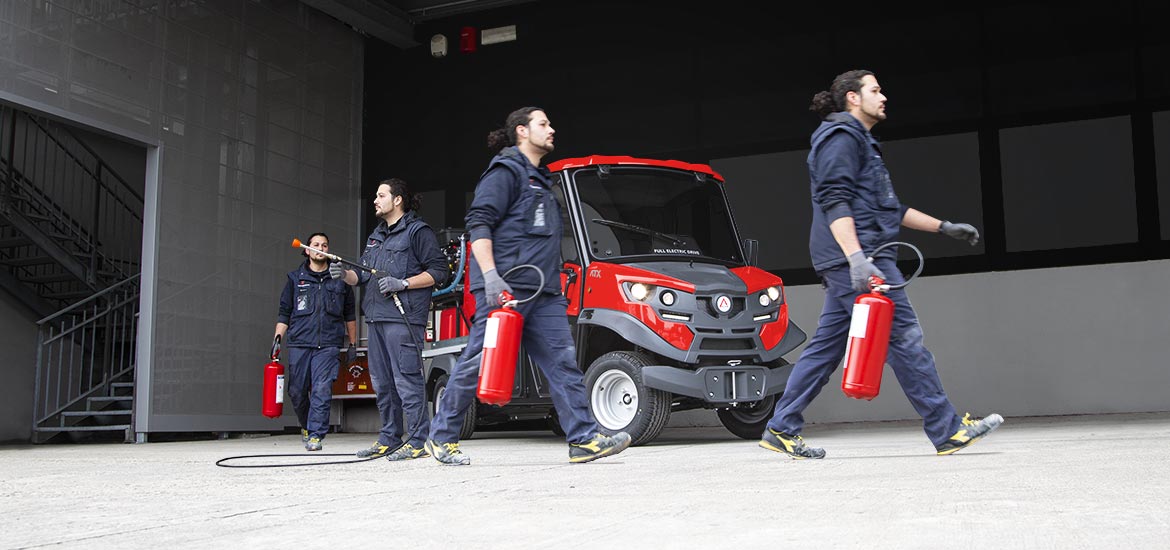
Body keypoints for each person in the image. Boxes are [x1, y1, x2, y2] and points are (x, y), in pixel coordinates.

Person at [760, 70, 1003, 459]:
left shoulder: (863, 143)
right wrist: (856, 258)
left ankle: (780, 427)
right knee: (906, 340)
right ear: (853, 98)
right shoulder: (840, 139)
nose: (884, 96)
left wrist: (944, 227)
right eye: (875, 90)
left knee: (826, 348)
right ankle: (946, 429)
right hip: (861, 260)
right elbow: (834, 200)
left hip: (857, 257)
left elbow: (892, 207)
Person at [426, 107, 632, 466]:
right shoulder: (505, 173)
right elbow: (479, 226)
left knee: (563, 363)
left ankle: (583, 439)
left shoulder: (543, 180)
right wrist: (490, 277)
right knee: (478, 361)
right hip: (505, 290)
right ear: (522, 131)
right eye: (543, 124)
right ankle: (441, 437)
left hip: (544, 293)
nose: (552, 129)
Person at [332, 179, 449, 461]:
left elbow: (440, 271)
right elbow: (362, 275)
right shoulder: (377, 236)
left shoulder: (417, 232)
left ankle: (419, 440)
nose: (375, 199)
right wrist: (343, 274)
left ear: (397, 200)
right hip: (375, 319)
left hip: (403, 319)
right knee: (382, 383)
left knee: (407, 380)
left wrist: (404, 283)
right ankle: (389, 438)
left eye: (381, 195)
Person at [275, 232, 357, 452]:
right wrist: (277, 340)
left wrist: (352, 344)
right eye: (316, 245)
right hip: (299, 343)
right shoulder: (294, 279)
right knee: (297, 392)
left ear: (328, 251)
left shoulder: (340, 279)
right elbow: (284, 313)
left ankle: (315, 434)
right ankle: (306, 426)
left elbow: (350, 314)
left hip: (328, 344)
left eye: (325, 245)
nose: (320, 248)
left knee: (322, 388)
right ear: (307, 250)